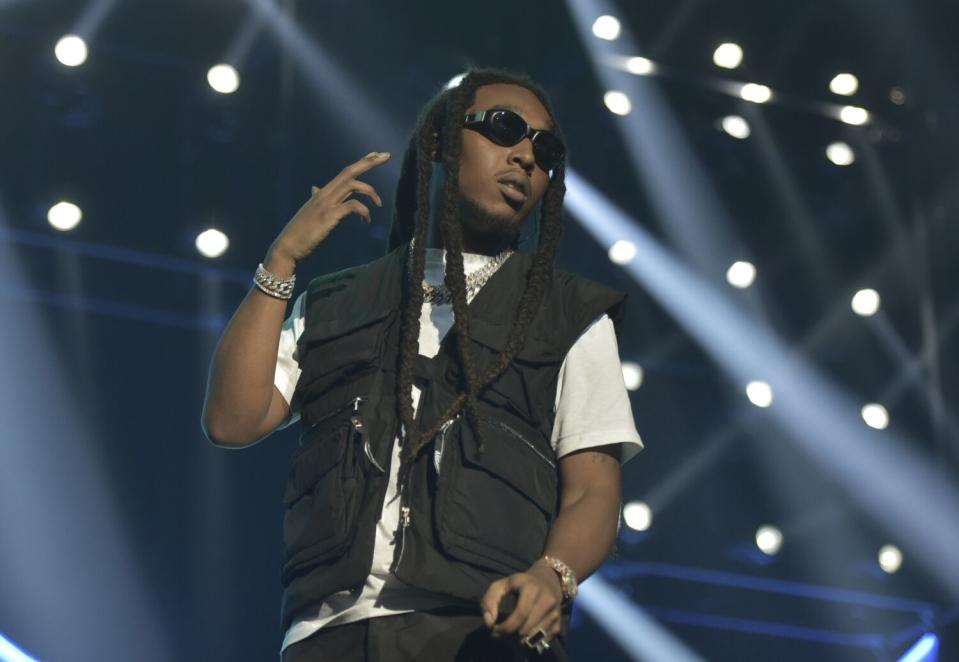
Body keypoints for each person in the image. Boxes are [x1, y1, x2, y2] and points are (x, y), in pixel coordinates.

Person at [202, 67, 643, 661]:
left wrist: (552, 575)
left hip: (479, 635)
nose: (526, 156)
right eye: (505, 128)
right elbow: (233, 421)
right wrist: (281, 260)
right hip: (325, 638)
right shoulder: (337, 302)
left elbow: (592, 491)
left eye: (546, 147)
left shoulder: (570, 315)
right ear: (438, 143)